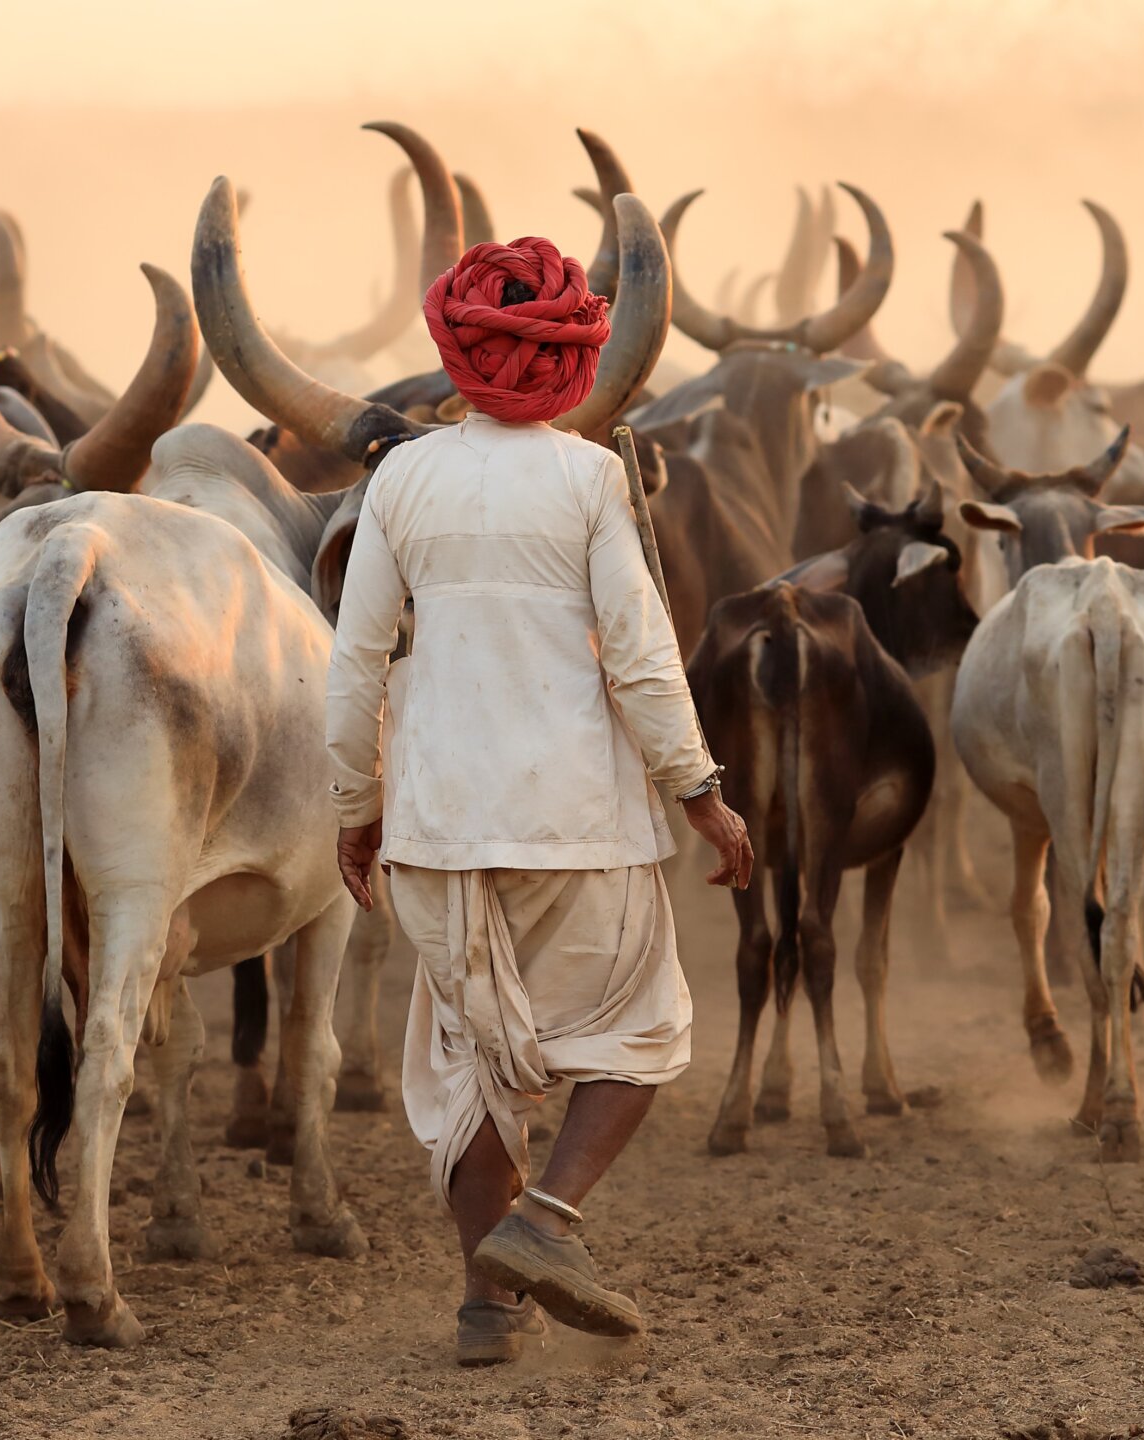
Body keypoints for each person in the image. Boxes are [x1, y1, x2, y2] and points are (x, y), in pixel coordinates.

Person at [325, 234, 753, 1368]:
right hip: (580, 821)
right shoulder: (589, 476)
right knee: (643, 1030)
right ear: (569, 359)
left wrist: (354, 808)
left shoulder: (400, 478)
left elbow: (355, 660)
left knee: (468, 1064)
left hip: (434, 822)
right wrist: (700, 794)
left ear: (458, 350)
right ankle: (546, 1223)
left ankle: (484, 1312)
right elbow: (644, 654)